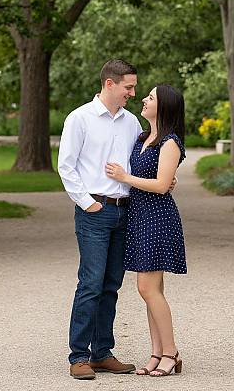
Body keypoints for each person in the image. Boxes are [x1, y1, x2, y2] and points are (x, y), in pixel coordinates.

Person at [58, 59, 142, 380]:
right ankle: (78, 356)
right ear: (110, 84)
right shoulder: (79, 118)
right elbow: (66, 166)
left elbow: (136, 163)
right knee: (90, 284)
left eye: (133, 87)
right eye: (128, 87)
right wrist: (87, 203)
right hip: (94, 211)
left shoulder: (131, 122)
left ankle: (101, 352)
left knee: (111, 285)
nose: (132, 93)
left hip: (124, 211)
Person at [105, 84, 187, 378]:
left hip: (158, 218)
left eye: (150, 97)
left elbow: (163, 185)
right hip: (140, 217)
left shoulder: (170, 142)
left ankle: (171, 353)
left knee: (147, 289)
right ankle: (156, 352)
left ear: (162, 106)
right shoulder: (144, 137)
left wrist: (125, 177)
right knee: (153, 291)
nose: (144, 99)